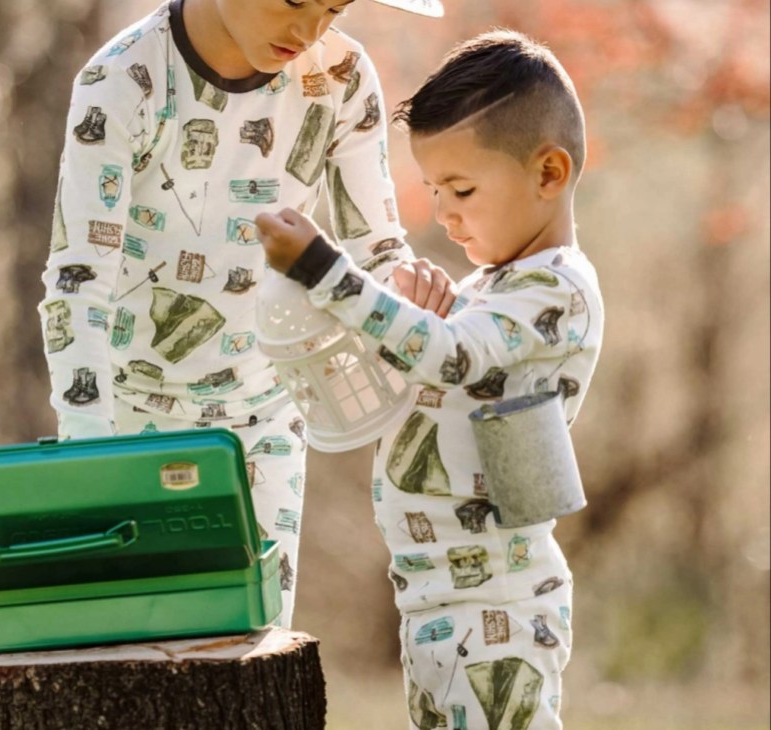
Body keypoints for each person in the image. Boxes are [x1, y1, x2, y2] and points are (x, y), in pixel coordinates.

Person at [37, 0, 456, 628]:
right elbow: (79, 278)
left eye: (334, 7)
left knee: (249, 648)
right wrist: (87, 453)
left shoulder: (340, 78)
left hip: (264, 418)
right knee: (125, 651)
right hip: (125, 417)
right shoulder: (124, 78)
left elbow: (375, 246)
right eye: (293, 1)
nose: (310, 30)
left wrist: (409, 294)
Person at [256, 29, 604, 728]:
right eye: (433, 190)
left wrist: (328, 272)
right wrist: (411, 314)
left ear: (548, 174)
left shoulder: (555, 291)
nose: (444, 213)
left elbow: (452, 356)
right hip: (434, 599)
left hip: (498, 608)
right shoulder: (489, 286)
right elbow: (435, 378)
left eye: (463, 189)